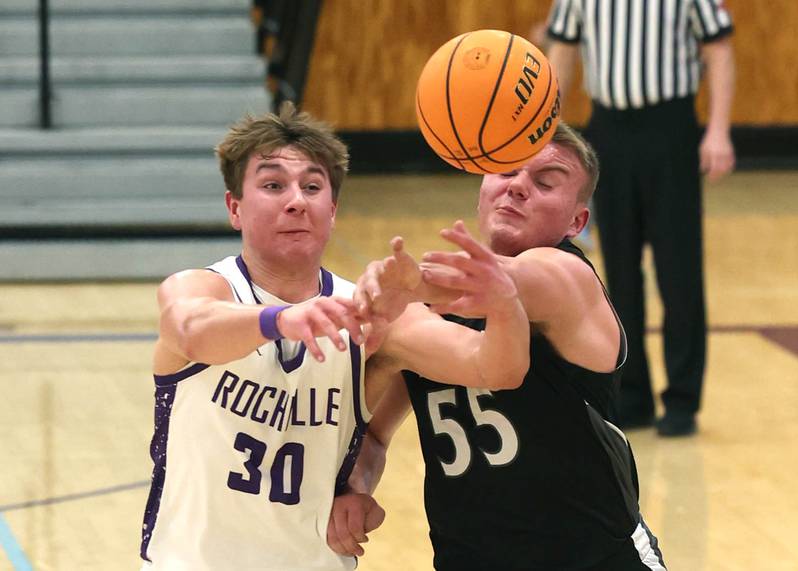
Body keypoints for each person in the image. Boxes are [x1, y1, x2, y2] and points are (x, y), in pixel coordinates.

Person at [139, 102, 531, 570]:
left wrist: (503, 300)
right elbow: (189, 330)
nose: (296, 200)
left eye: (311, 186)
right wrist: (279, 320)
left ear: (333, 210)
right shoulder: (201, 289)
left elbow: (498, 369)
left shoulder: (370, 316)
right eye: (272, 185)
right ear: (235, 208)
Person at [328, 123, 667, 570]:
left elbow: (510, 281)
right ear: (483, 188)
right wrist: (357, 487)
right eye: (506, 172)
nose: (519, 187)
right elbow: (373, 434)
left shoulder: (568, 278)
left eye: (545, 181)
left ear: (577, 221)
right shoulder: (425, 314)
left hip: (598, 559)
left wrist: (414, 284)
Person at [546, 0, 736, 435]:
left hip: (670, 127)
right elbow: (562, 50)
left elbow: (719, 49)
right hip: (608, 129)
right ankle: (631, 396)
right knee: (618, 269)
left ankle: (683, 399)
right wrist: (549, 130)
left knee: (678, 266)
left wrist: (719, 128)